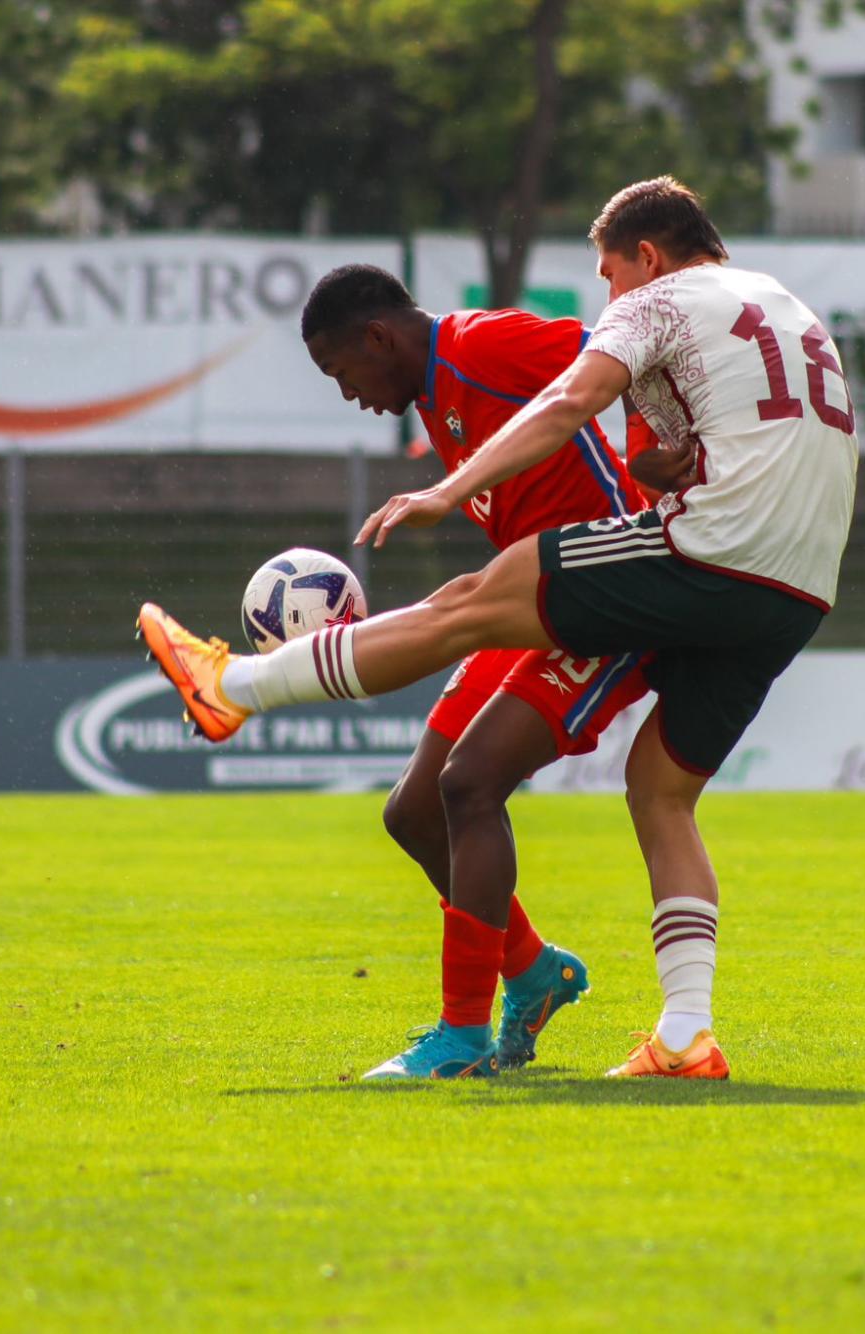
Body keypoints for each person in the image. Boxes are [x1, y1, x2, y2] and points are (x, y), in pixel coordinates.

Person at [140, 175, 858, 1080]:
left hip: (654, 578)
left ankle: (236, 688)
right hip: (797, 577)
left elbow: (578, 383)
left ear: (646, 256)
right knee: (456, 803)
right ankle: (651, 1022)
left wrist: (450, 490)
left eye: (610, 276)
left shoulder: (521, 333)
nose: (609, 300)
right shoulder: (778, 302)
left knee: (467, 694)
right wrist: (655, 449)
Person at [295, 262, 660, 1079]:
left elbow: (619, 352)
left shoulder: (484, 345)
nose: (348, 393)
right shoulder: (433, 398)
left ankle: (462, 1037)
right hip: (530, 604)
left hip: (605, 601)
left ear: (378, 337)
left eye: (341, 371)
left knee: (469, 784)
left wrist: (658, 461)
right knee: (413, 812)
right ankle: (534, 972)